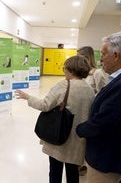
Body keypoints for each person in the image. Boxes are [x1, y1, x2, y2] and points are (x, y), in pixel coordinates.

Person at [15, 55, 95, 183]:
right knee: (72, 173)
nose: (64, 71)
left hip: (59, 137)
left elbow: (44, 105)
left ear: (70, 70)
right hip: (78, 140)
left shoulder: (64, 85)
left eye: (65, 68)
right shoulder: (90, 91)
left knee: (55, 171)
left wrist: (28, 97)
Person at [76, 31, 121, 183]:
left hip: (107, 159)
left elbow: (104, 122)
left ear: (116, 55)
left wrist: (78, 129)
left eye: (103, 54)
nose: (100, 59)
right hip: (119, 153)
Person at [76, 46, 109, 176]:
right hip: (79, 108)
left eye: (81, 56)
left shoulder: (97, 73)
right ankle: (78, 161)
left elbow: (103, 93)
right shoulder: (80, 72)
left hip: (91, 110)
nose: (79, 59)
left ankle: (84, 164)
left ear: (88, 57)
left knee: (86, 137)